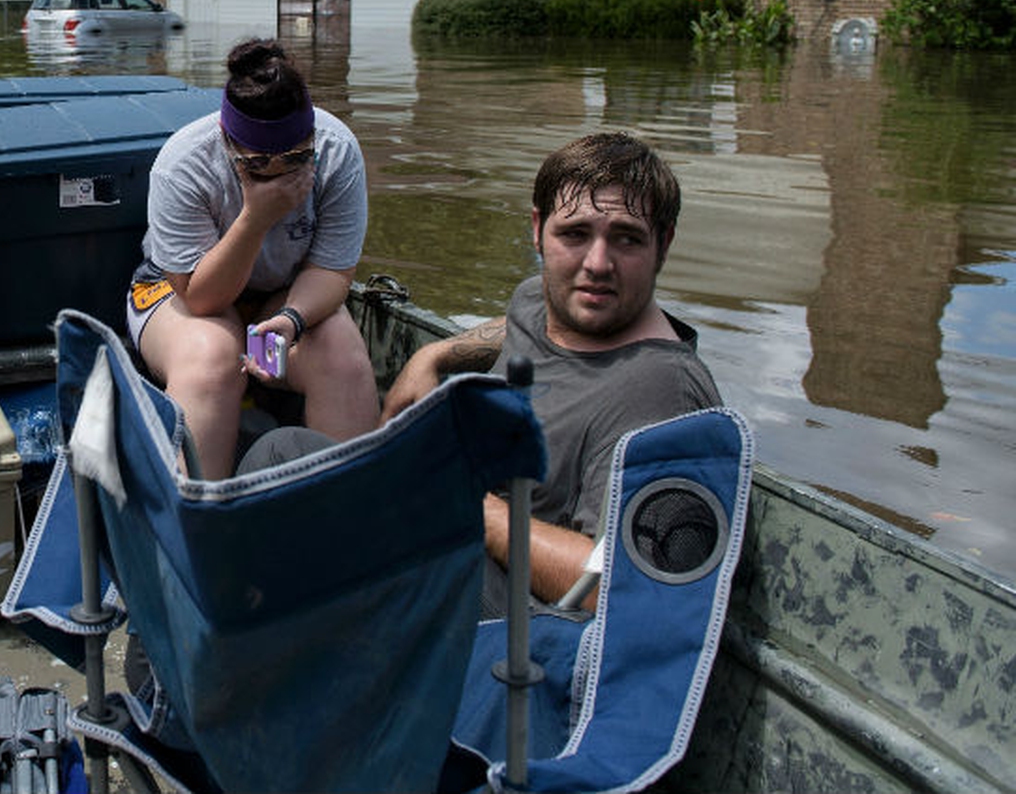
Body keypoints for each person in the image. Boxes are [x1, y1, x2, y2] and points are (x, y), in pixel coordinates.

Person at [379, 130, 722, 612]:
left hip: (519, 624)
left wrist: (465, 497)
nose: (597, 265)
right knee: (283, 449)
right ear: (538, 230)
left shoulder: (662, 391)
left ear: (663, 245)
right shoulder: (543, 297)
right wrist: (434, 356)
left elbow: (615, 590)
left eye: (627, 239)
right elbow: (524, 324)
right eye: (575, 234)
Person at [125, 38, 379, 478]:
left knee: (342, 355)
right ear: (229, 143)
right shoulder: (183, 165)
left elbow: (332, 271)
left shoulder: (338, 151)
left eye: (298, 159)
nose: (281, 175)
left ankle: (344, 514)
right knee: (212, 358)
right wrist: (255, 218)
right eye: (260, 165)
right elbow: (200, 299)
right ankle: (200, 524)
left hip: (283, 295)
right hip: (179, 294)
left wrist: (291, 320)